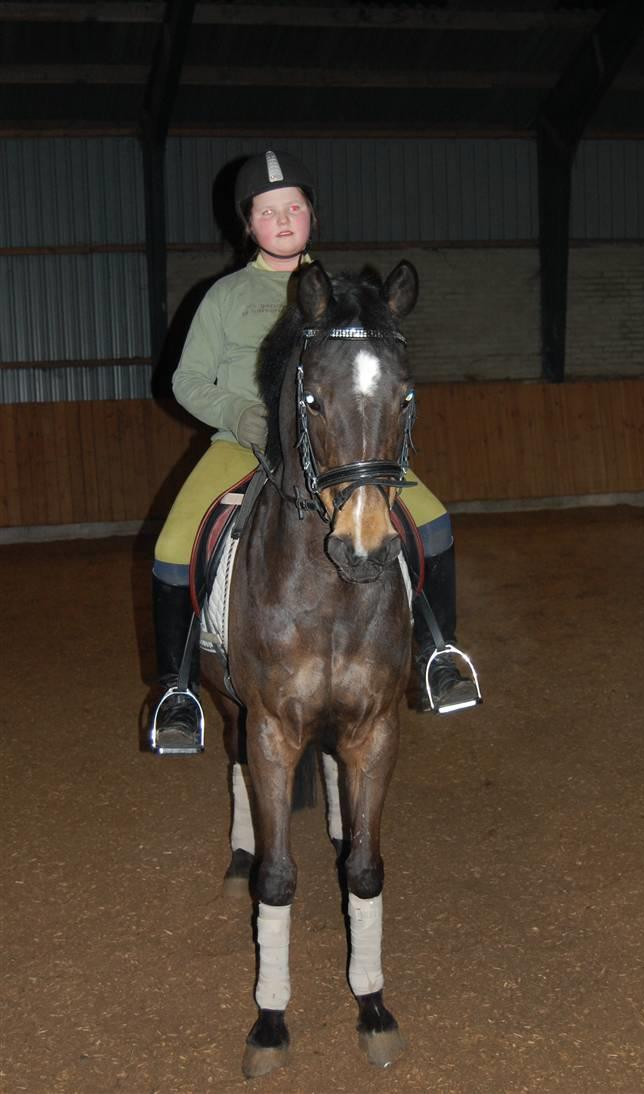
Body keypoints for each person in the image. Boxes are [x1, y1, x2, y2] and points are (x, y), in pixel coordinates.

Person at [150, 149, 479, 753]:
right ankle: (179, 689)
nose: (282, 219)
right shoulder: (224, 296)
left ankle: (438, 653)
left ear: (312, 218)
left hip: (338, 451)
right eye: (267, 211)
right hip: (243, 446)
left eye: (294, 207)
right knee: (174, 546)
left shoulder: (348, 297)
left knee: (431, 521)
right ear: (247, 225)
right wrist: (240, 414)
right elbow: (184, 380)